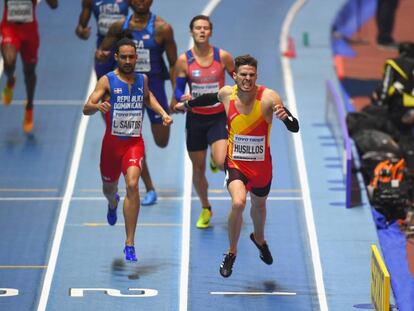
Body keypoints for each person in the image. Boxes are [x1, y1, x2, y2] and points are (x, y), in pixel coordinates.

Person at [178, 55, 299, 277]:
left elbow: (295, 127)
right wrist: (187, 104)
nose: (247, 78)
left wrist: (286, 118)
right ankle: (231, 251)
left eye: (251, 75)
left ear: (256, 76)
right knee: (238, 202)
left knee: (259, 207)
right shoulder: (227, 93)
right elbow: (207, 98)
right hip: (236, 165)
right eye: (243, 74)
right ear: (235, 76)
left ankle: (259, 239)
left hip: (262, 168)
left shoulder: (269, 97)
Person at [83, 37, 172, 262]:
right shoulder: (107, 81)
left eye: (131, 56)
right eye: (123, 57)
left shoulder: (142, 79)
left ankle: (129, 243)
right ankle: (113, 203)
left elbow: (148, 97)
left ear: (136, 57)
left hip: (134, 144)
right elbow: (86, 108)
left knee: (133, 184)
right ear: (117, 58)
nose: (128, 60)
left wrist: (162, 113)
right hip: (111, 147)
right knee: (109, 189)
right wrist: (97, 106)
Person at [96, 0, 177, 206]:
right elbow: (103, 52)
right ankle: (149, 188)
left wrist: (176, 93)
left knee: (162, 141)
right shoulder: (118, 27)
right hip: (125, 90)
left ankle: (143, 178)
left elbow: (174, 63)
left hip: (153, 86)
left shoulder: (162, 29)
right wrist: (101, 58)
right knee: (130, 138)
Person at [171, 15, 235, 229]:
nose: (201, 31)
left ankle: (215, 155)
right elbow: (179, 89)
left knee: (220, 162)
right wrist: (182, 97)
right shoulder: (184, 60)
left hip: (218, 117)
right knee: (197, 170)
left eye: (205, 28)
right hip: (195, 119)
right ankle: (206, 207)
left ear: (210, 32)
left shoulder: (223, 57)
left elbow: (239, 79)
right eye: (197, 28)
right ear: (191, 32)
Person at [1, 0, 58, 133]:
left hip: (29, 32)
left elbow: (54, 5)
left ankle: (29, 107)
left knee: (29, 71)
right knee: (9, 64)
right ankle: (10, 80)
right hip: (10, 28)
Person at [75, 0, 130, 79]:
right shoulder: (89, 1)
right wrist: (82, 33)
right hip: (103, 46)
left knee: (125, 81)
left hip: (123, 45)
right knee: (103, 81)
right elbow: (80, 27)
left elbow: (141, 13)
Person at [372, 42, 414, 135]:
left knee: (395, 132)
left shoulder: (393, 63)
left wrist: (380, 103)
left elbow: (385, 86)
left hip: (401, 105)